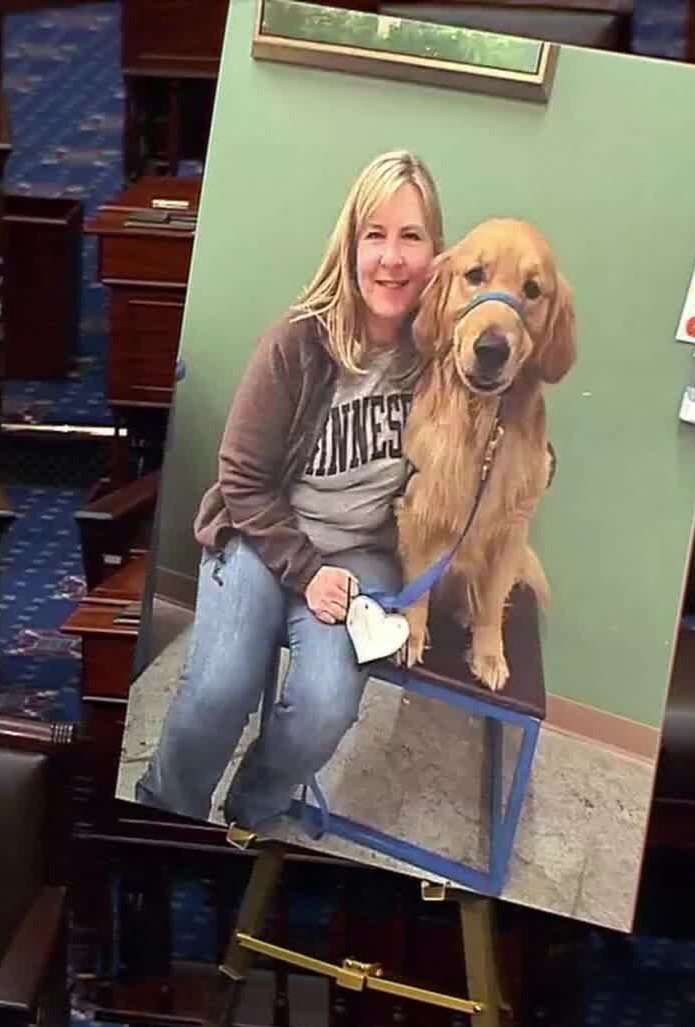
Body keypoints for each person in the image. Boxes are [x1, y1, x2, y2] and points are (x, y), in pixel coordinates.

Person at [133, 149, 444, 836]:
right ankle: (166, 819)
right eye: (376, 234)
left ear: (435, 251)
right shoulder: (296, 343)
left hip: (363, 552)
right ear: (351, 242)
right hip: (262, 532)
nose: (392, 258)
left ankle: (254, 808)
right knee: (219, 688)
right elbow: (241, 478)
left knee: (326, 703)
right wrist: (307, 571)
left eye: (412, 236)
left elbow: (492, 441)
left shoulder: (440, 359)